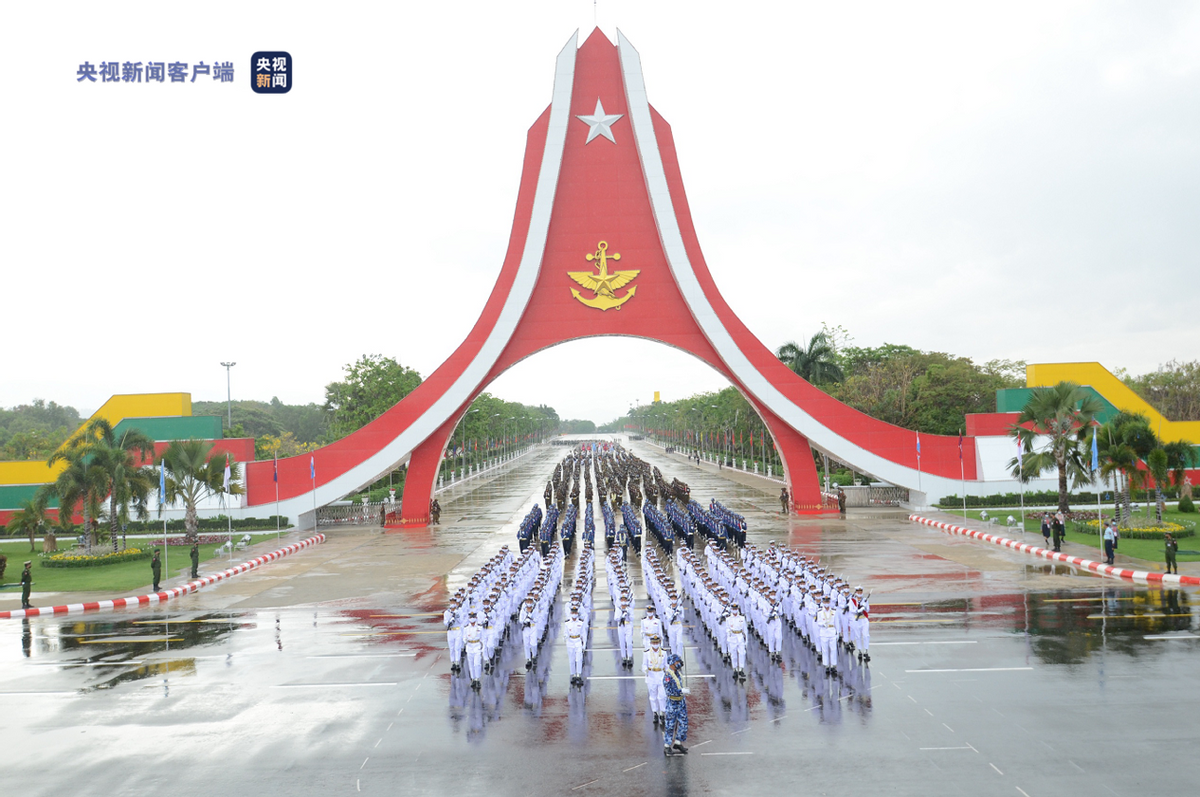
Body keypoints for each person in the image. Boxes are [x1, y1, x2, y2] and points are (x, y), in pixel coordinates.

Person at [662, 654, 689, 756]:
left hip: (681, 702)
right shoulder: (668, 676)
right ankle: (667, 746)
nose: (679, 664)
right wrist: (680, 691)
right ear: (672, 663)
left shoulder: (677, 673)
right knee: (670, 725)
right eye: (677, 662)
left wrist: (684, 691)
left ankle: (678, 742)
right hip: (673, 703)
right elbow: (669, 691)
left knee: (684, 723)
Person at [643, 635, 667, 726]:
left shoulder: (664, 653)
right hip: (651, 676)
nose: (655, 644)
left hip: (661, 675)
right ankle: (655, 713)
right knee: (653, 696)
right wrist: (645, 670)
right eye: (654, 643)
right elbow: (644, 665)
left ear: (659, 643)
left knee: (662, 696)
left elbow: (666, 665)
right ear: (651, 643)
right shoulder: (647, 653)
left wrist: (668, 674)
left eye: (657, 643)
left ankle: (662, 713)